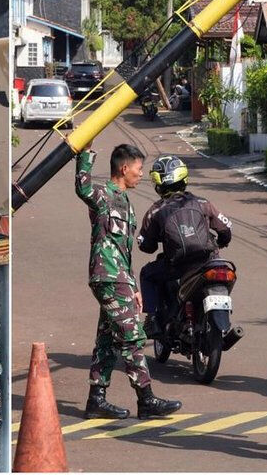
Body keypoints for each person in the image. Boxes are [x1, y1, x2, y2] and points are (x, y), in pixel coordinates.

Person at [75, 142, 182, 420]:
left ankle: (96, 400)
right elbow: (82, 187)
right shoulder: (102, 195)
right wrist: (85, 153)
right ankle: (146, 399)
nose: (141, 174)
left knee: (107, 339)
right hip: (107, 276)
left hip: (119, 278)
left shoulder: (127, 204)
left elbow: (125, 251)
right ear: (124, 168)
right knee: (133, 336)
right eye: (138, 168)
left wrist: (133, 286)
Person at [137, 154, 232, 335]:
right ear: (184, 179)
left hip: (177, 267)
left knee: (147, 274)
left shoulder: (155, 211)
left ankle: (152, 318)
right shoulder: (203, 203)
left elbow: (147, 246)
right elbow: (226, 230)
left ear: (158, 185)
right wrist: (221, 242)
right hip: (209, 261)